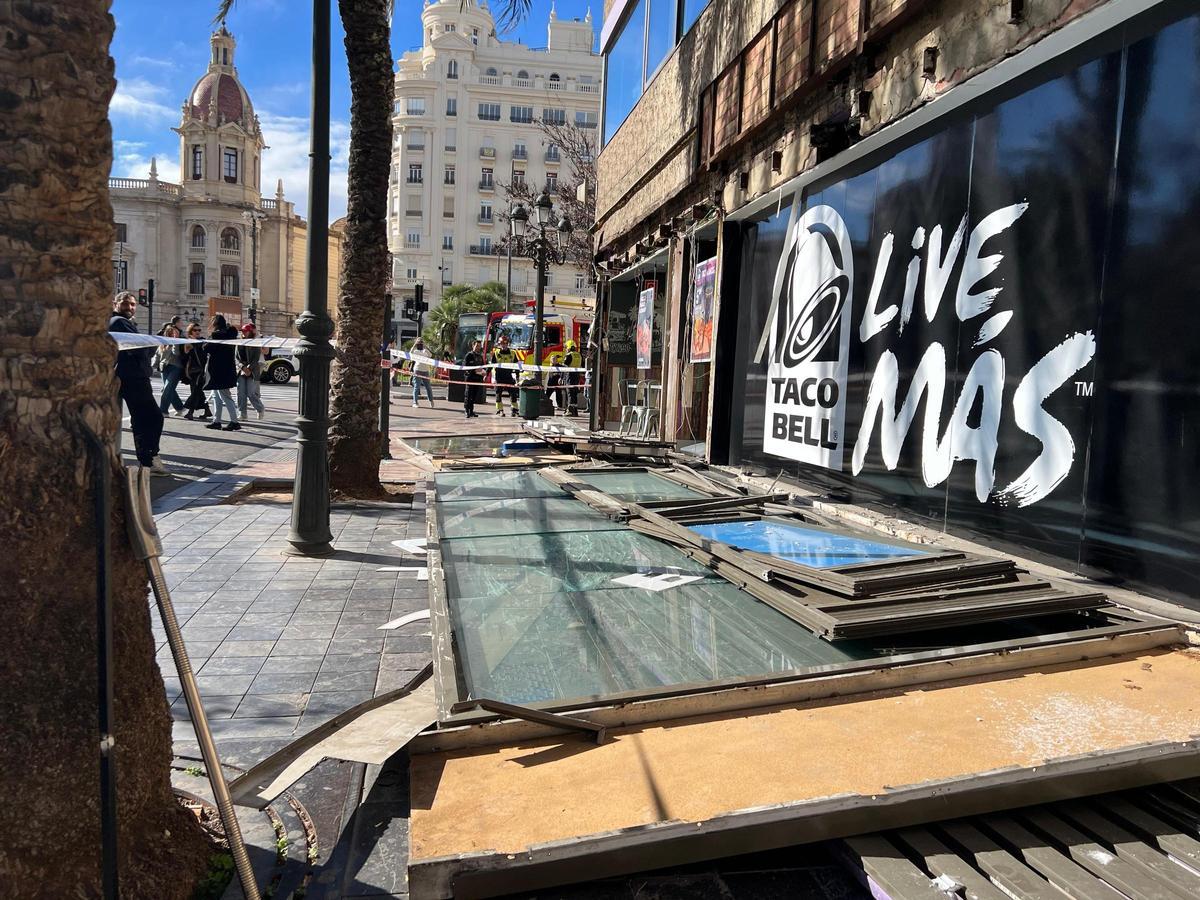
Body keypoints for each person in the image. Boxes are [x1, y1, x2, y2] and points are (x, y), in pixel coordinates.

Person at [108, 292, 169, 475]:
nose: (131, 307)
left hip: (132, 375)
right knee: (153, 417)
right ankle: (150, 459)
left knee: (141, 419)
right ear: (115, 304)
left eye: (133, 304)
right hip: (133, 377)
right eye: (126, 304)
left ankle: (147, 459)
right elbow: (141, 350)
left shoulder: (121, 322)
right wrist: (151, 344)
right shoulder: (119, 322)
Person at [204, 315, 240, 431]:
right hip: (227, 369)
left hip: (218, 370)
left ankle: (234, 422)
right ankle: (216, 420)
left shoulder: (216, 336)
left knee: (224, 396)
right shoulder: (230, 335)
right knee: (217, 396)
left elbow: (206, 348)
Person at [180, 322, 211, 419]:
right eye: (195, 330)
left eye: (199, 330)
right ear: (190, 331)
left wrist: (196, 344)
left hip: (201, 370)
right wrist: (187, 347)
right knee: (197, 391)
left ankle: (190, 411)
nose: (197, 332)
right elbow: (185, 355)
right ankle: (207, 410)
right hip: (192, 370)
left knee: (196, 391)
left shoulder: (202, 341)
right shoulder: (188, 341)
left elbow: (203, 355)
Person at [236, 322, 266, 420]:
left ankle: (260, 409)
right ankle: (242, 413)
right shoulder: (239, 342)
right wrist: (243, 367)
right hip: (241, 370)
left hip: (252, 371)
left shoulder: (255, 342)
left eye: (246, 331)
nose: (244, 333)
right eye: (243, 331)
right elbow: (236, 358)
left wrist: (249, 369)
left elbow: (256, 359)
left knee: (251, 393)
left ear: (250, 332)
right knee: (240, 393)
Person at [156, 323, 186, 416]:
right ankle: (180, 408)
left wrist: (175, 341)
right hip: (164, 367)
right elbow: (158, 355)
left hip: (176, 367)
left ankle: (163, 411)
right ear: (167, 333)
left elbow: (176, 353)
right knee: (169, 389)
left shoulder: (180, 342)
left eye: (175, 333)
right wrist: (153, 366)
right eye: (171, 333)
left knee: (167, 388)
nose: (173, 334)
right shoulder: (163, 342)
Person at [547, 339, 584, 415]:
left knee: (569, 393)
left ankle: (570, 411)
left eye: (567, 347)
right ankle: (575, 411)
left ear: (569, 347)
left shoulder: (569, 355)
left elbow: (564, 368)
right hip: (576, 376)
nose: (566, 349)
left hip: (569, 375)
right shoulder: (579, 355)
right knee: (574, 393)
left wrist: (561, 377)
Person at [489, 334, 520, 417]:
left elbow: (517, 366)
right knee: (498, 394)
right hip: (499, 377)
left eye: (505, 344)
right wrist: (486, 374)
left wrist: (517, 376)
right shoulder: (496, 353)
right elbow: (491, 365)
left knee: (513, 394)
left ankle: (514, 409)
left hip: (509, 377)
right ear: (499, 344)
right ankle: (500, 410)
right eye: (502, 344)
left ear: (507, 344)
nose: (503, 345)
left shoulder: (513, 353)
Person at [460, 339, 486, 418]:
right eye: (476, 346)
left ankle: (471, 411)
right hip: (470, 378)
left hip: (477, 379)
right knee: (468, 395)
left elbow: (484, 366)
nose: (478, 347)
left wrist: (484, 373)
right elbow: (465, 366)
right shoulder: (469, 355)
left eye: (479, 346)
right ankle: (466, 410)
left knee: (474, 396)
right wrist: (474, 370)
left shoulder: (480, 356)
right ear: (473, 346)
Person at [409, 338, 435, 408]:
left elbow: (430, 355)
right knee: (416, 387)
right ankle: (415, 402)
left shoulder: (425, 351)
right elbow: (410, 353)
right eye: (418, 344)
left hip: (425, 371)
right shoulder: (415, 351)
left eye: (421, 343)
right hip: (417, 370)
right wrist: (414, 344)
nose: (420, 345)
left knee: (428, 387)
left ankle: (431, 400)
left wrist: (425, 347)